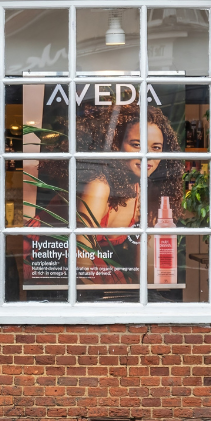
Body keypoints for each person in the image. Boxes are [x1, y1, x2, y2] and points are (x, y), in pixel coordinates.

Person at [73, 104, 184, 285]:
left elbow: (147, 263)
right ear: (117, 144)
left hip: (97, 269)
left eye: (156, 148)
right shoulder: (99, 186)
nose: (146, 155)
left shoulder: (145, 191)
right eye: (136, 145)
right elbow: (80, 261)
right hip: (56, 264)